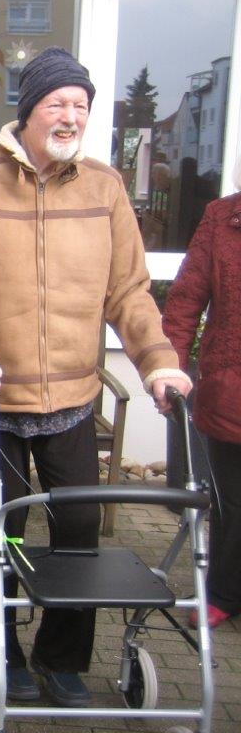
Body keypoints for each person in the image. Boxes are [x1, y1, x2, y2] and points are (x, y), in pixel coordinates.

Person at [0, 46, 193, 708]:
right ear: (29, 112)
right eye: (57, 103)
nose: (70, 116)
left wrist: (158, 361)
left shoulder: (105, 188)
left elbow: (129, 291)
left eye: (81, 105)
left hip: (72, 399)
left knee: (79, 534)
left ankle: (62, 659)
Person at [162, 170, 241, 630]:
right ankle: (224, 593)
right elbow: (185, 300)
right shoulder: (222, 218)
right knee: (232, 502)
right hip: (231, 392)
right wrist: (169, 369)